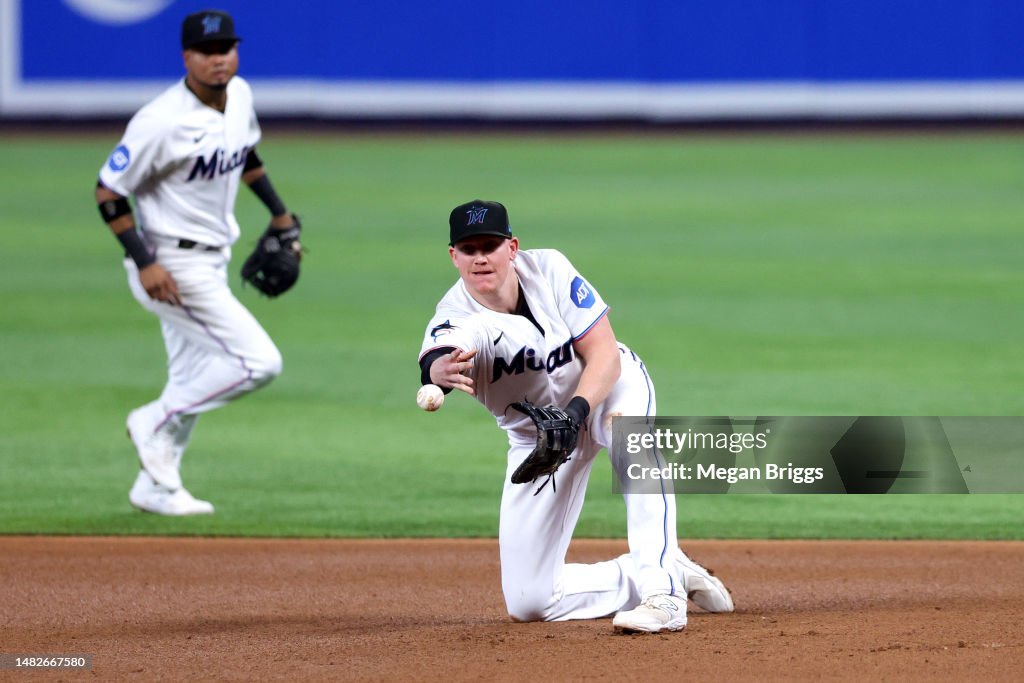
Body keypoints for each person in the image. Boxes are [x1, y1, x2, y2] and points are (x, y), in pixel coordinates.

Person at [418, 200, 734, 633]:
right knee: (530, 602)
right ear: (454, 256)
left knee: (630, 442)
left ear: (512, 247)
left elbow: (604, 351)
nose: (480, 257)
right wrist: (437, 369)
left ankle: (663, 595)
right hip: (539, 442)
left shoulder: (548, 269)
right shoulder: (457, 317)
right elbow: (439, 352)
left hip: (605, 391)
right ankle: (654, 568)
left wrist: (575, 412)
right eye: (468, 248)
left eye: (489, 245)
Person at [94, 10, 300, 515]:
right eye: (208, 51)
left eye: (227, 48)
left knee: (192, 373)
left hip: (213, 258)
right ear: (187, 57)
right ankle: (153, 421)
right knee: (257, 362)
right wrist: (144, 262)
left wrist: (279, 214)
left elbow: (245, 155)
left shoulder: (241, 95)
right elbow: (108, 192)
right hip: (170, 267)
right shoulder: (160, 121)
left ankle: (157, 487)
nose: (220, 58)